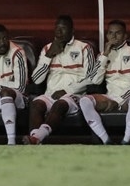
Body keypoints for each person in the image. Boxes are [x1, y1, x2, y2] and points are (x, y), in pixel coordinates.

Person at [22, 15, 95, 145]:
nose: (59, 32)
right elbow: (37, 80)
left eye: (63, 28)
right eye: (57, 28)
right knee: (36, 104)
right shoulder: (47, 49)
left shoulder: (84, 48)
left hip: (74, 95)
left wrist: (67, 90)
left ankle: (37, 138)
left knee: (60, 104)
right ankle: (35, 139)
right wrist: (49, 56)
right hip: (50, 94)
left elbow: (91, 78)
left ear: (72, 30)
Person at [78, 20, 130, 145]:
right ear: (107, 36)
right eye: (110, 33)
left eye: (118, 33)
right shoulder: (103, 56)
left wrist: (121, 99)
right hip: (111, 97)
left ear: (125, 36)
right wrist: (105, 55)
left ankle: (126, 141)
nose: (113, 37)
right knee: (84, 100)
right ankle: (106, 140)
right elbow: (95, 80)